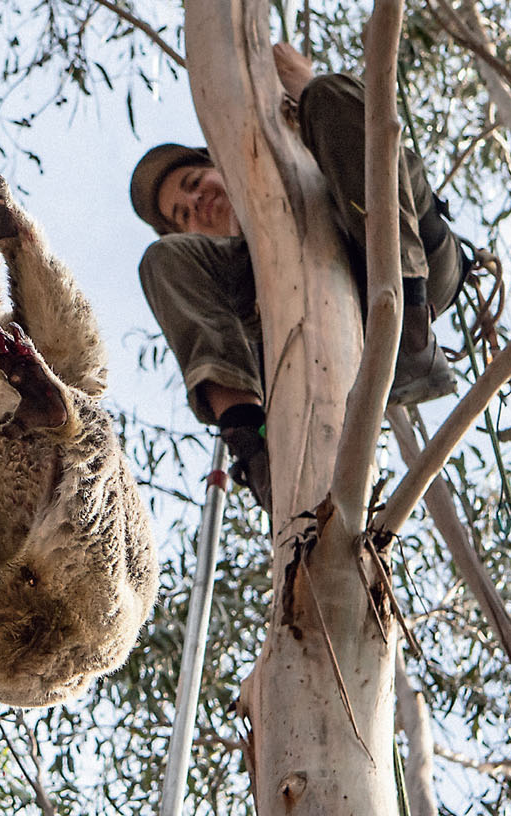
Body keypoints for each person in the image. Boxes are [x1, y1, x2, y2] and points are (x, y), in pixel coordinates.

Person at [131, 44, 463, 503]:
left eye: (193, 184)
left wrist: (300, 85)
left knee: (328, 94)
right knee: (159, 260)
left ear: (222, 165)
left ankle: (409, 327)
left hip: (401, 246)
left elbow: (359, 139)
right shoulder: (224, 272)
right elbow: (186, 267)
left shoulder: (301, 144)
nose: (195, 205)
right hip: (306, 307)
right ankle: (252, 448)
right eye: (181, 214)